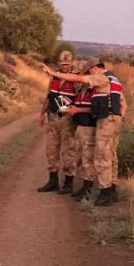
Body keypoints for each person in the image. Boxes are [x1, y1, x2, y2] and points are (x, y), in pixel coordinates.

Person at [43, 58, 127, 206]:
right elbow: (123, 104)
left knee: (102, 155)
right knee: (108, 155)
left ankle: (105, 192)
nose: (88, 75)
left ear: (94, 68)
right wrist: (118, 117)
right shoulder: (112, 80)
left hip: (104, 121)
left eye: (89, 72)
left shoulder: (102, 78)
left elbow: (78, 78)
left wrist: (51, 72)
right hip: (108, 120)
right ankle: (109, 190)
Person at [37, 50, 77, 193]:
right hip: (53, 118)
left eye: (67, 63)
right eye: (62, 63)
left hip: (67, 120)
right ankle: (53, 181)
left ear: (72, 63)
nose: (64, 66)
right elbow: (49, 96)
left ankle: (68, 182)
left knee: (68, 151)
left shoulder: (76, 78)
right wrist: (42, 114)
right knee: (51, 150)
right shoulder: (54, 78)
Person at [67, 72, 97, 201]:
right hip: (79, 126)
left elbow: (95, 108)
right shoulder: (80, 89)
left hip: (90, 127)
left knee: (88, 159)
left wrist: (78, 110)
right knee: (79, 158)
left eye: (84, 73)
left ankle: (88, 191)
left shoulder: (94, 89)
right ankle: (83, 188)